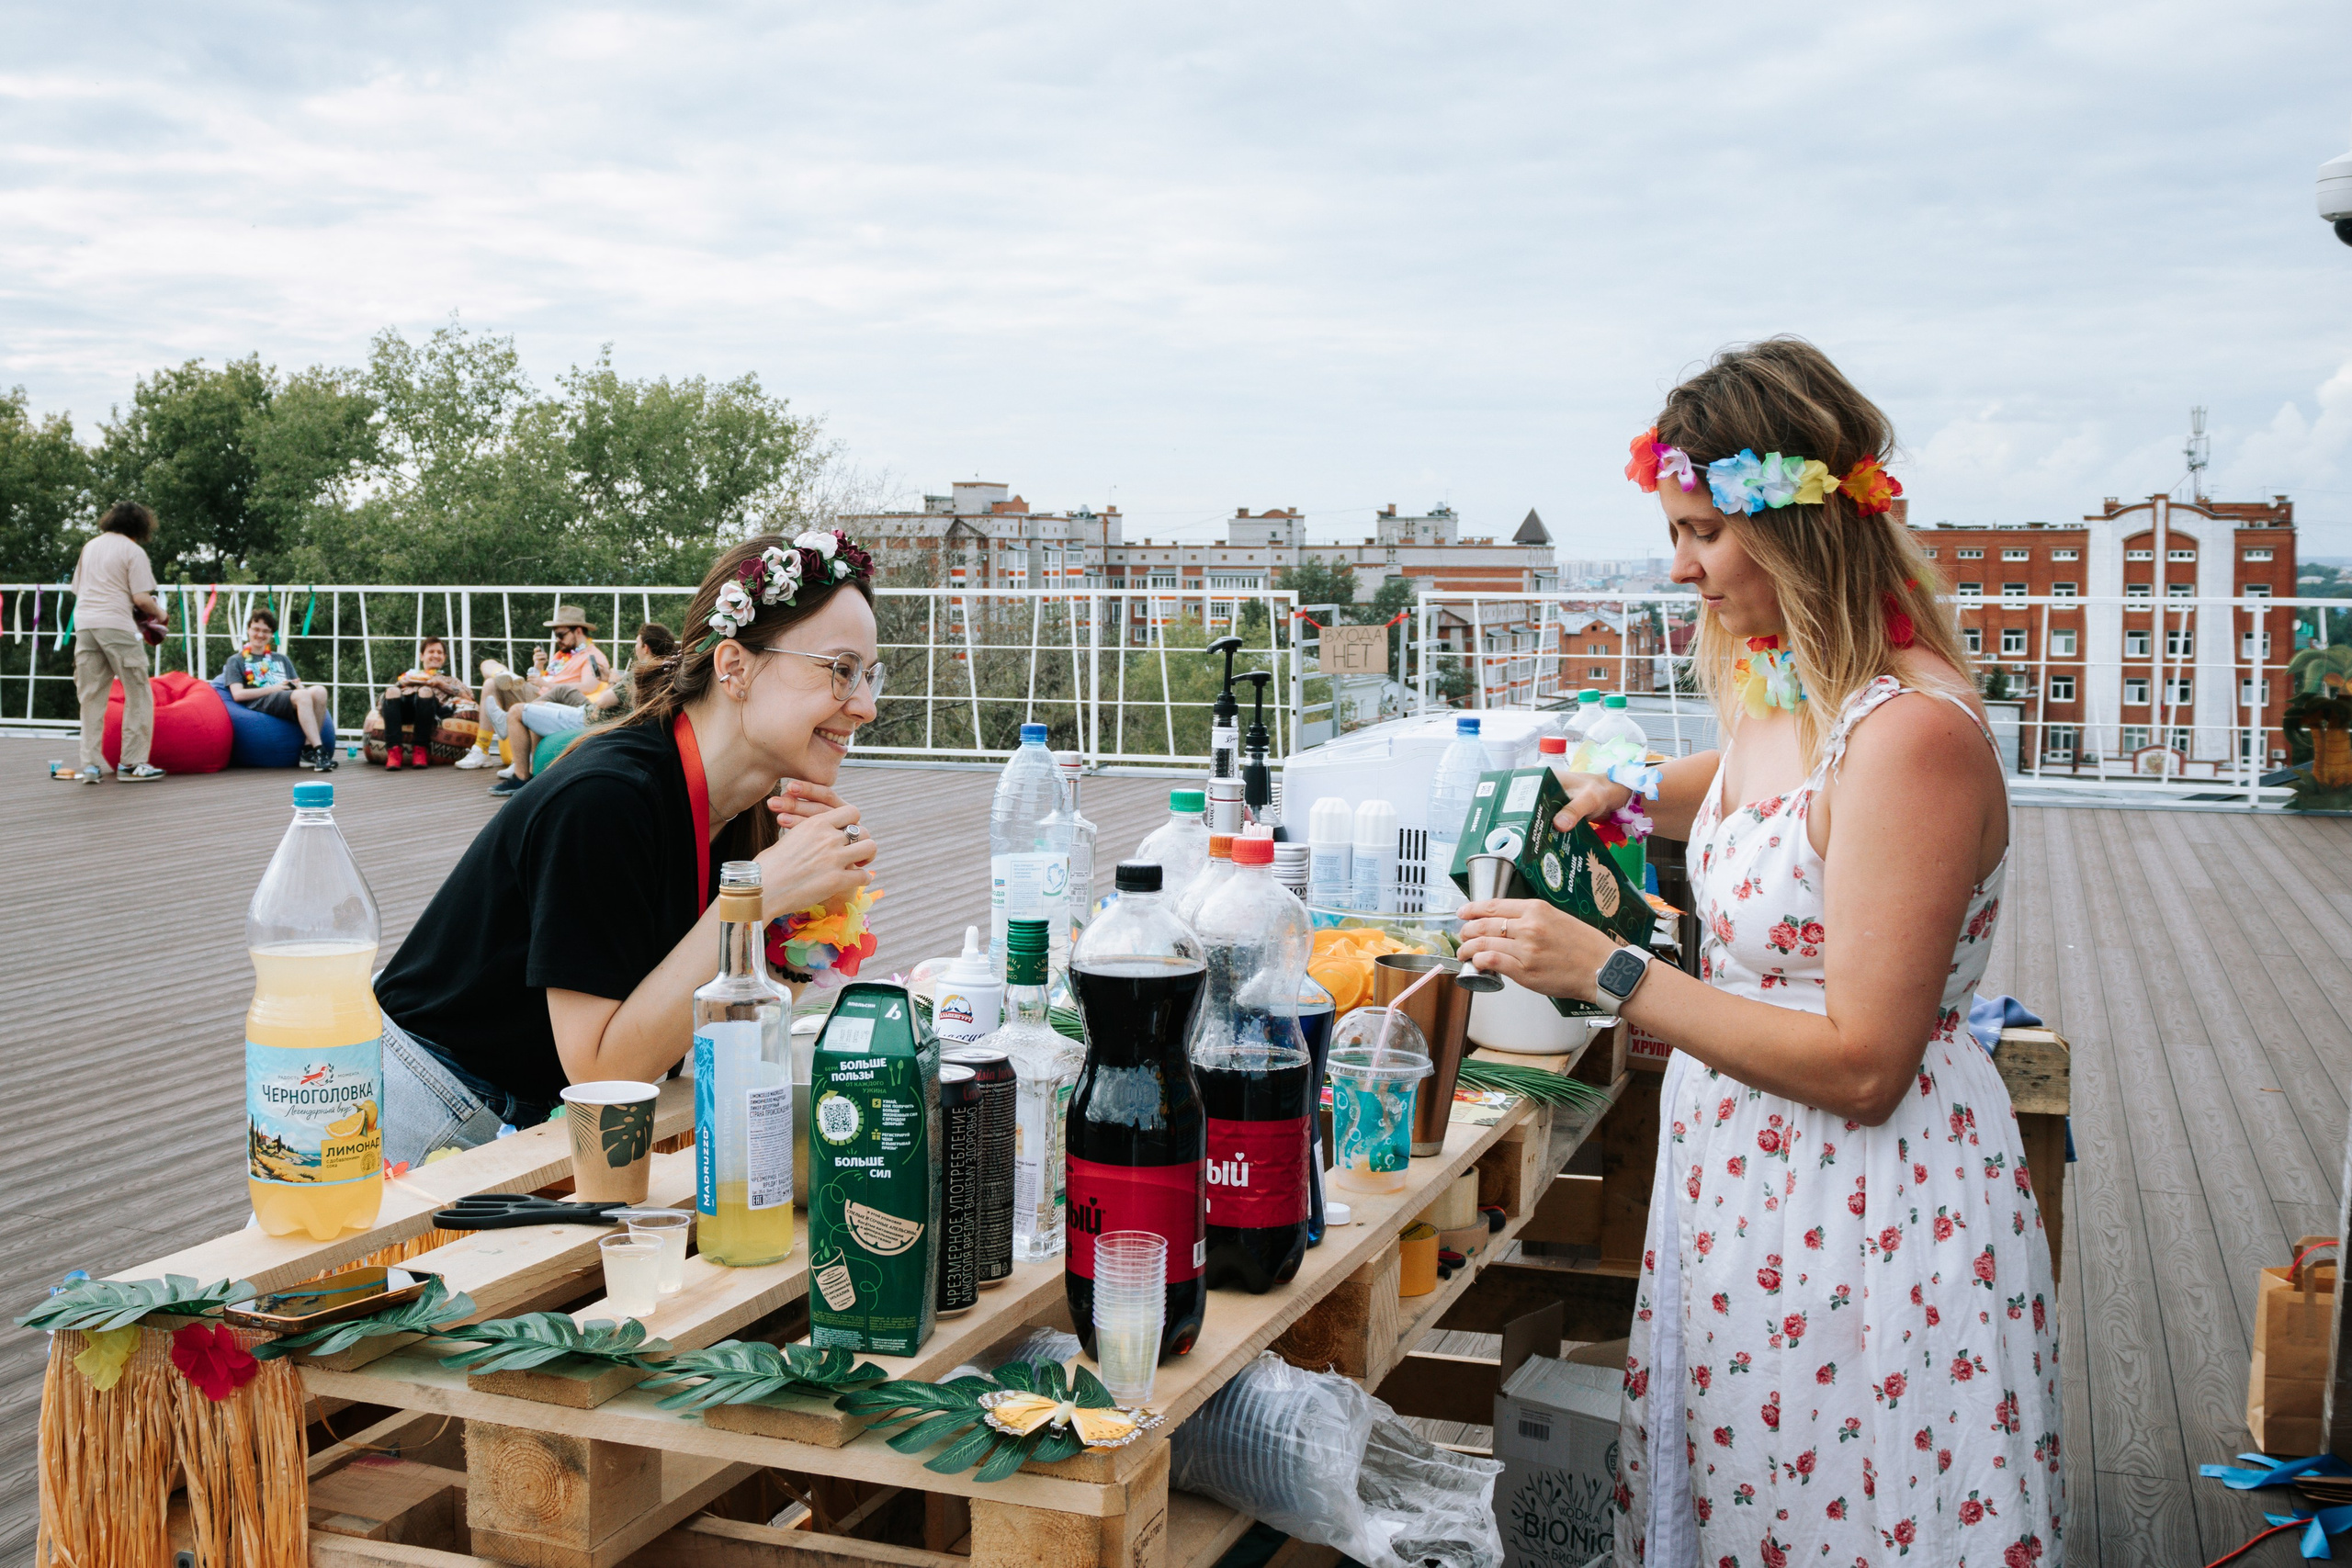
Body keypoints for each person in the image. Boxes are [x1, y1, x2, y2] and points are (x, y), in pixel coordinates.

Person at [1455, 340, 2058, 1567]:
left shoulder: (1910, 737)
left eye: (1702, 534)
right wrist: (1623, 789)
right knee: (1750, 1511)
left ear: (1796, 528)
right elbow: (1752, 799)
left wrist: (1611, 971)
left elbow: (1864, 1065)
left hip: (1869, 1207)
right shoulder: (1790, 679)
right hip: (1747, 1195)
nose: (1679, 568)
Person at [372, 531, 882, 1162]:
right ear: (734, 667)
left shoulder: (742, 806)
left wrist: (814, 914)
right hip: (417, 1104)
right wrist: (761, 891)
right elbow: (601, 1075)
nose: (865, 705)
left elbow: (727, 1028)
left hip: (526, 1117)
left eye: (868, 675)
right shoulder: (608, 799)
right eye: (841, 670)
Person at [492, 620, 675, 798]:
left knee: (517, 711)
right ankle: (529, 767)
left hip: (592, 719)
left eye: (636, 642)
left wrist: (611, 680)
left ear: (645, 647)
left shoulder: (640, 671)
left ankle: (520, 778)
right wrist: (616, 679)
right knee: (541, 704)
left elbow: (604, 701)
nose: (635, 647)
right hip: (604, 717)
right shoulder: (663, 671)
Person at [60, 502, 168, 784]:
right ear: (141, 527)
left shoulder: (90, 546)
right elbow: (141, 598)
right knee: (138, 693)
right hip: (116, 626)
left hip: (85, 625)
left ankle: (92, 765)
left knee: (91, 697)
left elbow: (77, 588)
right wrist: (160, 614)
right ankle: (132, 764)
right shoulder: (133, 551)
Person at [460, 605, 611, 773]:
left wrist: (545, 684)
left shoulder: (593, 656)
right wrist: (538, 667)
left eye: (561, 635)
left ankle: (516, 749)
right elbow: (548, 677)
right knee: (490, 679)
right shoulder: (562, 654)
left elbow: (588, 687)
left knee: (498, 686)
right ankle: (481, 749)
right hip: (539, 693)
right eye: (556, 635)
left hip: (556, 702)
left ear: (578, 631)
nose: (557, 640)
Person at [220, 609, 338, 771]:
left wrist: (297, 686)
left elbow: (296, 685)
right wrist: (274, 689)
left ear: (271, 635)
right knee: (302, 696)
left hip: (288, 698)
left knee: (319, 691)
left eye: (266, 631)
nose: (260, 635)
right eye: (256, 629)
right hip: (261, 702)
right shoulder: (236, 660)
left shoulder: (281, 658)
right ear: (248, 630)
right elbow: (238, 694)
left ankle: (308, 751)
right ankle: (319, 750)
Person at [379, 636, 471, 770]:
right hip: (405, 709)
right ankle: (394, 751)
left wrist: (441, 684)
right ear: (422, 656)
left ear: (444, 658)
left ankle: (420, 749)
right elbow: (384, 700)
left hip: (430, 710)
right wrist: (401, 684)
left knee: (425, 691)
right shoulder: (410, 676)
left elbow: (469, 698)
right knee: (392, 690)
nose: (435, 655)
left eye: (439, 653)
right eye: (431, 652)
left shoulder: (449, 679)